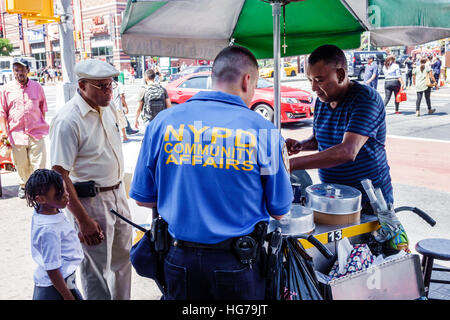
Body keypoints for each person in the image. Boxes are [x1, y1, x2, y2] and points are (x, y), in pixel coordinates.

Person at [129, 45, 293, 300]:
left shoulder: (162, 123)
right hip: (238, 263)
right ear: (247, 80)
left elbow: (143, 198)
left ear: (212, 77)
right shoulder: (265, 132)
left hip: (178, 259)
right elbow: (280, 210)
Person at [49, 59, 132, 300]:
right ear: (83, 85)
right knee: (95, 268)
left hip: (117, 193)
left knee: (123, 261)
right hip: (90, 201)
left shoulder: (109, 108)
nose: (108, 91)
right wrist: (83, 220)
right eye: (102, 86)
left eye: (110, 85)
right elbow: (59, 174)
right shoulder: (68, 119)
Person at [287, 44, 393, 213]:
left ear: (341, 74)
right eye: (310, 80)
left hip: (368, 202)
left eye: (319, 80)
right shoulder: (323, 101)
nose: (313, 88)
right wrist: (301, 145)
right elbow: (319, 140)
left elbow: (348, 151)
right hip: (332, 197)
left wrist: (290, 164)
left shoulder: (366, 99)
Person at [26, 169, 84, 300]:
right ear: (40, 199)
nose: (66, 195)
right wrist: (68, 297)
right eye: (59, 194)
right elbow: (52, 270)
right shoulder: (48, 230)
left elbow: (60, 237)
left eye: (65, 189)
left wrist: (76, 238)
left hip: (64, 281)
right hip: (55, 288)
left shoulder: (50, 209)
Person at [0, 58, 49, 199]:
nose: (19, 73)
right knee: (21, 164)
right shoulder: (6, 89)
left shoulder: (37, 87)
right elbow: (2, 113)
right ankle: (24, 186)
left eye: (22, 69)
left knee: (39, 163)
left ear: (28, 71)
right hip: (16, 134)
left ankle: (38, 188)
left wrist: (39, 122)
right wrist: (4, 132)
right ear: (13, 72)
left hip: (36, 132)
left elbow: (42, 108)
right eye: (16, 70)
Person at [112, 76, 138, 142]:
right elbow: (122, 96)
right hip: (118, 106)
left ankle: (115, 138)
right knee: (122, 122)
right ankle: (124, 137)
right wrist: (126, 106)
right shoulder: (119, 84)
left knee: (113, 122)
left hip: (110, 107)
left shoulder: (108, 84)